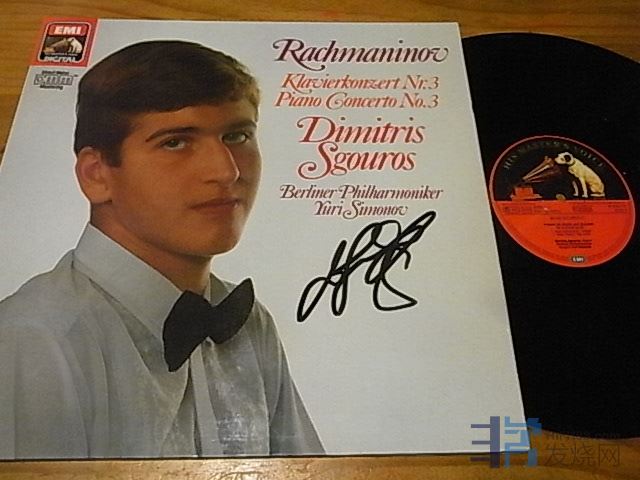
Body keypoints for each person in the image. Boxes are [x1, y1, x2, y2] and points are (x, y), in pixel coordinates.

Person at [0, 40, 323, 459]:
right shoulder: (34, 339)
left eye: (237, 136)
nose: (226, 171)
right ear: (96, 175)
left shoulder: (248, 323)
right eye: (175, 142)